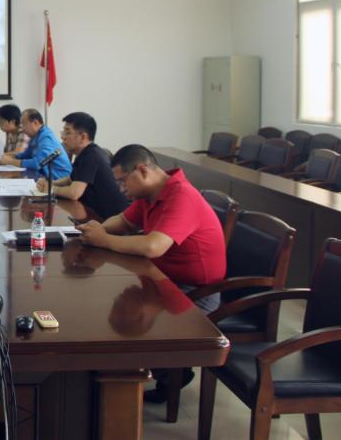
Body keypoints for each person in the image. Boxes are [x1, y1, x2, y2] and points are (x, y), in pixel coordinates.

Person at [76, 144, 227, 403]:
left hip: (195, 293)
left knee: (126, 322)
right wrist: (97, 229)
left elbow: (152, 247)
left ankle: (145, 381)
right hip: (162, 278)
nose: (120, 189)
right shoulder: (150, 194)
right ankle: (125, 378)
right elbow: (123, 222)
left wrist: (103, 240)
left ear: (142, 170)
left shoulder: (181, 195)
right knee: (105, 308)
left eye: (123, 181)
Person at [36, 112, 128, 217]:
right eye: (63, 132)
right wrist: (51, 183)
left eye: (68, 132)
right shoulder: (86, 153)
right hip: (95, 214)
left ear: (83, 137)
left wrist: (50, 189)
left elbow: (74, 193)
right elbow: (70, 179)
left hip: (110, 218)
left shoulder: (91, 156)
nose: (63, 137)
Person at [0, 109, 72, 178]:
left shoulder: (46, 138)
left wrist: (11, 161)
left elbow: (38, 163)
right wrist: (11, 156)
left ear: (35, 123)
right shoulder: (35, 136)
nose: (22, 128)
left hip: (59, 179)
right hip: (43, 177)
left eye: (24, 125)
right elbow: (27, 155)